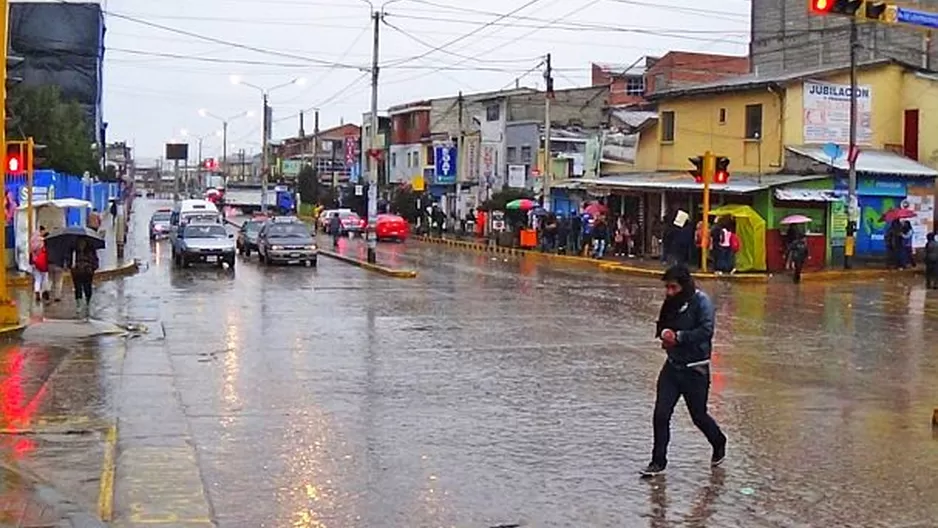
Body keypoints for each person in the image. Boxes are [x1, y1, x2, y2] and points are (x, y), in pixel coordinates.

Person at [644, 264, 727, 477]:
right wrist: (664, 334)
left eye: (673, 287)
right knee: (661, 415)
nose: (669, 292)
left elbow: (706, 331)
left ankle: (718, 441)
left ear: (684, 285)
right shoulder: (670, 304)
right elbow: (662, 324)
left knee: (698, 415)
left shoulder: (702, 303)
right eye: (667, 288)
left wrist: (679, 337)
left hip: (695, 370)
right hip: (672, 368)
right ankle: (658, 462)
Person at [71, 238, 99, 319]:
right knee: (86, 287)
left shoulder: (74, 248)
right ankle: (86, 303)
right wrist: (93, 267)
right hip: (86, 271)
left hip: (79, 271)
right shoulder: (91, 248)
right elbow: (95, 260)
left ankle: (80, 305)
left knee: (79, 288)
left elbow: (70, 259)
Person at [30, 229, 49, 303]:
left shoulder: (32, 242)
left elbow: (31, 253)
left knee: (37, 279)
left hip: (35, 263)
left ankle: (37, 292)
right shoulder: (43, 241)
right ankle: (45, 292)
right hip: (43, 262)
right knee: (45, 277)